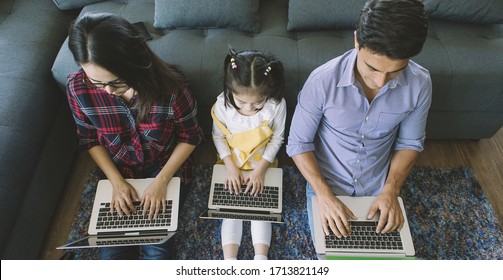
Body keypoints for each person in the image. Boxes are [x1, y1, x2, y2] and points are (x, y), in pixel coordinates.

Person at [286, 0, 431, 242]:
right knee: (333, 255)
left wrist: (391, 190)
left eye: (395, 71)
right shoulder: (322, 81)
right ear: (356, 41)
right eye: (372, 68)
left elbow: (410, 143)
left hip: (380, 186)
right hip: (327, 183)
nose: (381, 82)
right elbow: (298, 144)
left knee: (389, 257)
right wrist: (324, 195)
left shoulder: (420, 84)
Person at [66, 13, 204, 259]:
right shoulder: (77, 88)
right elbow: (89, 139)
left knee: (158, 251)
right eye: (96, 82)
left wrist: (161, 182)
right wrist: (116, 182)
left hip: (163, 167)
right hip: (118, 170)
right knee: (112, 254)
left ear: (134, 63)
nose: (108, 91)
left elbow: (190, 136)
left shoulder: (172, 88)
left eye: (117, 81)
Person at [212, 48, 287, 260]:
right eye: (242, 102)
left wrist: (260, 171)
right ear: (230, 91)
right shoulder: (222, 104)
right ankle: (230, 261)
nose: (249, 108)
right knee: (231, 211)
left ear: (268, 94)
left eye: (257, 103)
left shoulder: (276, 105)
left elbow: (277, 139)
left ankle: (261, 258)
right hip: (231, 164)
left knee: (261, 211)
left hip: (263, 165)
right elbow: (218, 138)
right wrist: (230, 167)